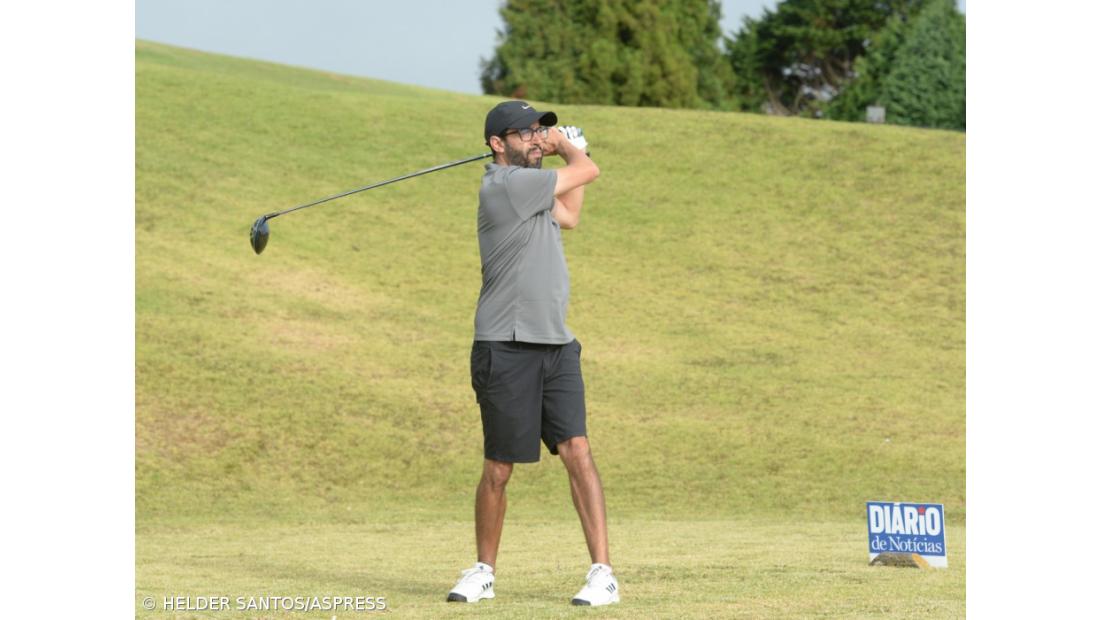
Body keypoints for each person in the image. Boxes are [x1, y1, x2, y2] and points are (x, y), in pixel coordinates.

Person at [446, 100, 619, 607]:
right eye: (525, 134)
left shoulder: (534, 190)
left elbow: (570, 215)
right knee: (499, 467)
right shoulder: (504, 186)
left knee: (579, 452)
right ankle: (482, 571)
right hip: (505, 344)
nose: (536, 140)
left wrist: (569, 151)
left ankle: (603, 574)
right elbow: (588, 170)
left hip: (556, 344)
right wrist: (570, 146)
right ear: (498, 144)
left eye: (539, 132)